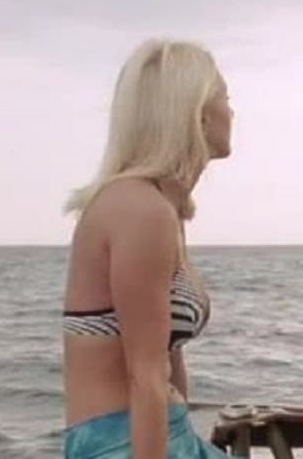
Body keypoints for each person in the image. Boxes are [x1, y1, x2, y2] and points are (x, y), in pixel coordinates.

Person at [61, 39, 236, 458]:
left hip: (167, 433)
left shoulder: (165, 208)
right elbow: (146, 374)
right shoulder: (140, 209)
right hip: (116, 443)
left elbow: (169, 358)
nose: (232, 112)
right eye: (225, 98)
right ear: (198, 114)